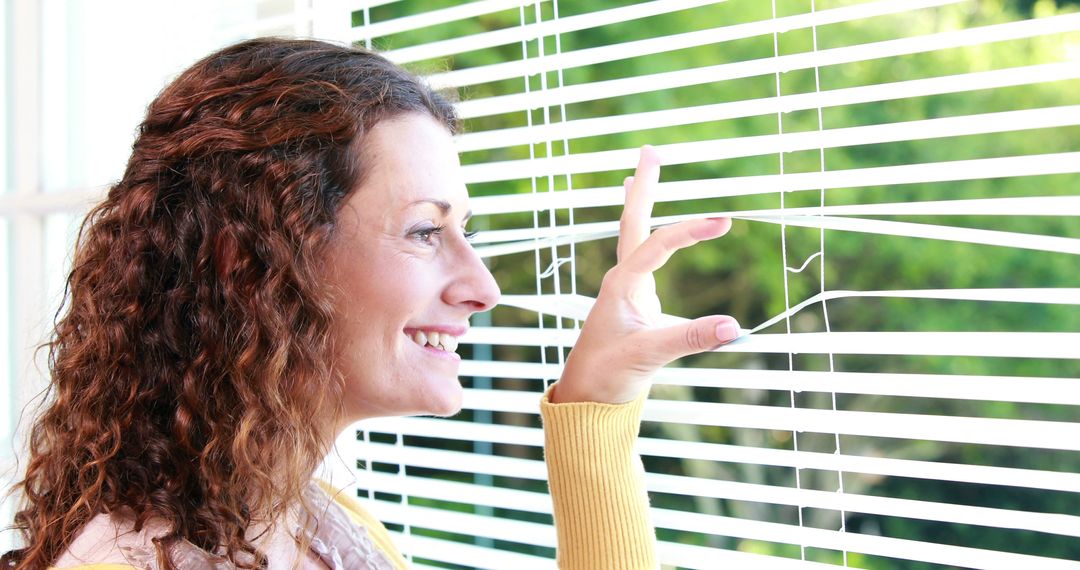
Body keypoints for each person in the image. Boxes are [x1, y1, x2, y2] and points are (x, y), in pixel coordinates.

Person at [2, 38, 740, 570]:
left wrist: (598, 404)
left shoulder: (322, 529)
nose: (482, 287)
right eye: (426, 230)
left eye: (465, 231)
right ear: (253, 265)